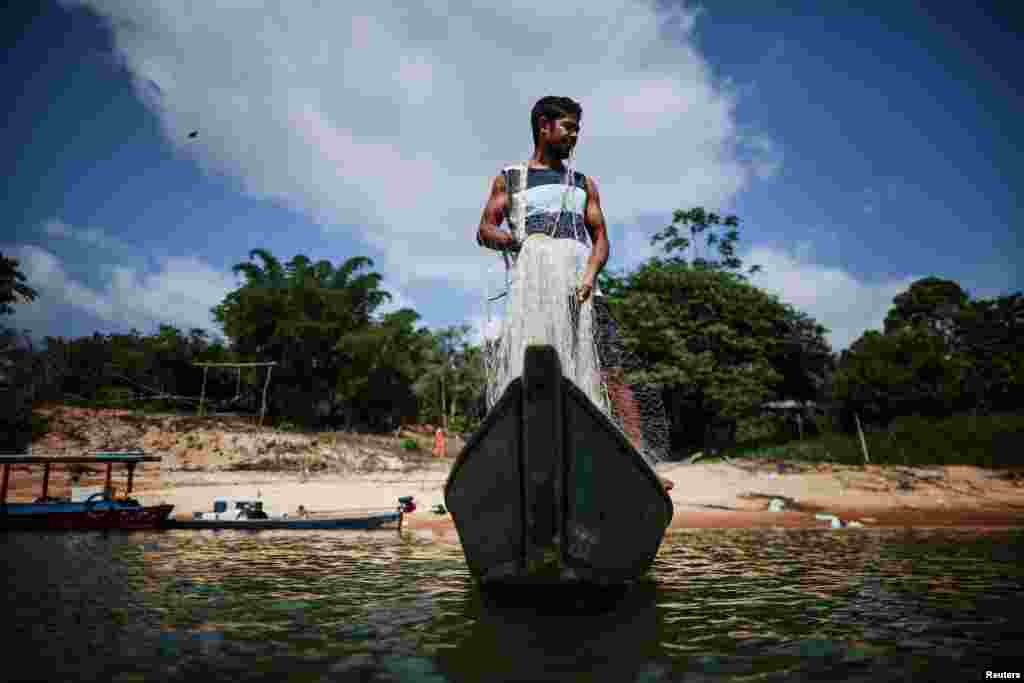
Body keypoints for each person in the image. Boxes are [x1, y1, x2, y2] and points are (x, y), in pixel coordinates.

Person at [476, 96, 673, 492]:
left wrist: (589, 274)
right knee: (534, 372)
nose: (575, 136)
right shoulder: (511, 178)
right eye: (569, 127)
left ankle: (639, 463)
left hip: (584, 289)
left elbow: (600, 239)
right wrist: (522, 244)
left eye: (578, 129)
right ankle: (526, 461)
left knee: (612, 374)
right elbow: (485, 230)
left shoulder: (584, 184)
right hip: (535, 292)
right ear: (544, 126)